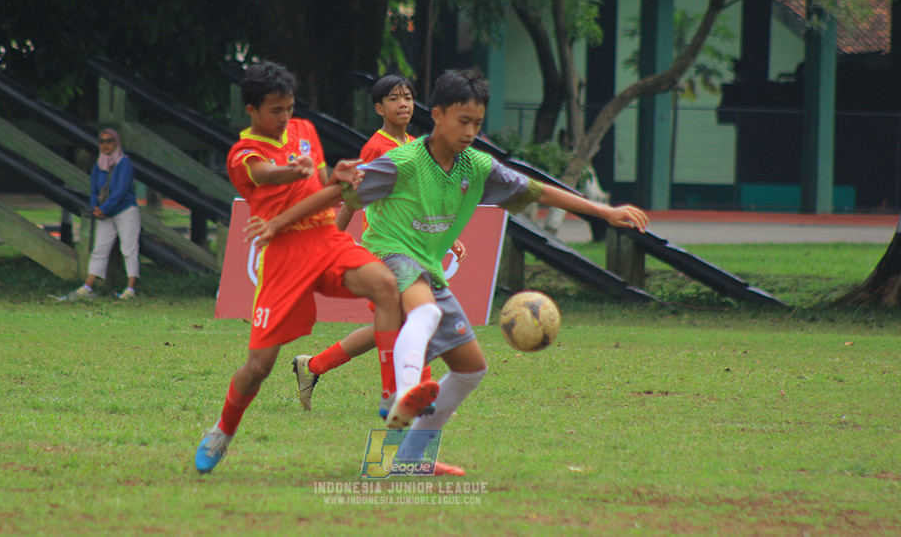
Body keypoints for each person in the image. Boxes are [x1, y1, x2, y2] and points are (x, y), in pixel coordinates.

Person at [246, 68, 649, 475]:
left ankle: (403, 458)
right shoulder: (399, 160)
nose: (471, 131)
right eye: (463, 121)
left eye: (477, 123)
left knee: (471, 369)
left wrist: (603, 210)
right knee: (423, 314)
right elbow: (338, 195)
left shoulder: (477, 167)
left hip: (426, 266)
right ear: (436, 115)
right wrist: (282, 228)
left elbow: (536, 190)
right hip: (387, 257)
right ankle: (403, 397)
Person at [193, 61, 438, 475]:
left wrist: (338, 178)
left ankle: (390, 395)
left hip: (326, 239)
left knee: (385, 285)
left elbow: (323, 187)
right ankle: (223, 430)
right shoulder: (243, 153)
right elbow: (266, 174)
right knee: (258, 368)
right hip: (285, 257)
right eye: (275, 110)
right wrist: (292, 171)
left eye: (289, 107)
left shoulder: (304, 131)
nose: (285, 117)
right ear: (252, 110)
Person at [291, 75, 466, 414]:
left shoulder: (416, 145)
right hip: (386, 249)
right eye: (394, 98)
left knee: (392, 326)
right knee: (419, 319)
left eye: (409, 97)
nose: (404, 103)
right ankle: (421, 399)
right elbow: (354, 197)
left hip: (413, 248)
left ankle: (311, 367)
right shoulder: (376, 147)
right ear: (379, 108)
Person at [68, 128, 141, 301]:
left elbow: (121, 190)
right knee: (99, 248)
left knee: (129, 248)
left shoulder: (124, 163)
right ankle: (88, 286)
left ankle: (131, 289)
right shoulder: (98, 165)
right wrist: (96, 207)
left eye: (110, 141)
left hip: (125, 211)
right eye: (102, 141)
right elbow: (94, 190)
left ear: (117, 143)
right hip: (105, 214)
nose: (106, 145)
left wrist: (105, 208)